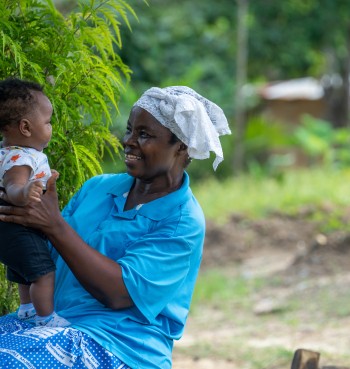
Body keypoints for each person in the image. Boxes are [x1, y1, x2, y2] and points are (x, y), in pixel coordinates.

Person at [0, 86, 231, 368]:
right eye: (130, 130)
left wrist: (54, 225)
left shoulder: (181, 221)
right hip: (52, 322)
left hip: (117, 344)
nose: (129, 141)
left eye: (144, 135)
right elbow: (43, 255)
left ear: (181, 145)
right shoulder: (99, 188)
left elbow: (119, 293)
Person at [0, 78, 70, 328]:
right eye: (48, 122)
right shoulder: (20, 158)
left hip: (12, 232)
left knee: (23, 271)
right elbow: (12, 187)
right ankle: (46, 318)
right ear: (26, 128)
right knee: (43, 273)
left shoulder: (12, 152)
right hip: (20, 228)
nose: (51, 127)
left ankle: (27, 308)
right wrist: (25, 191)